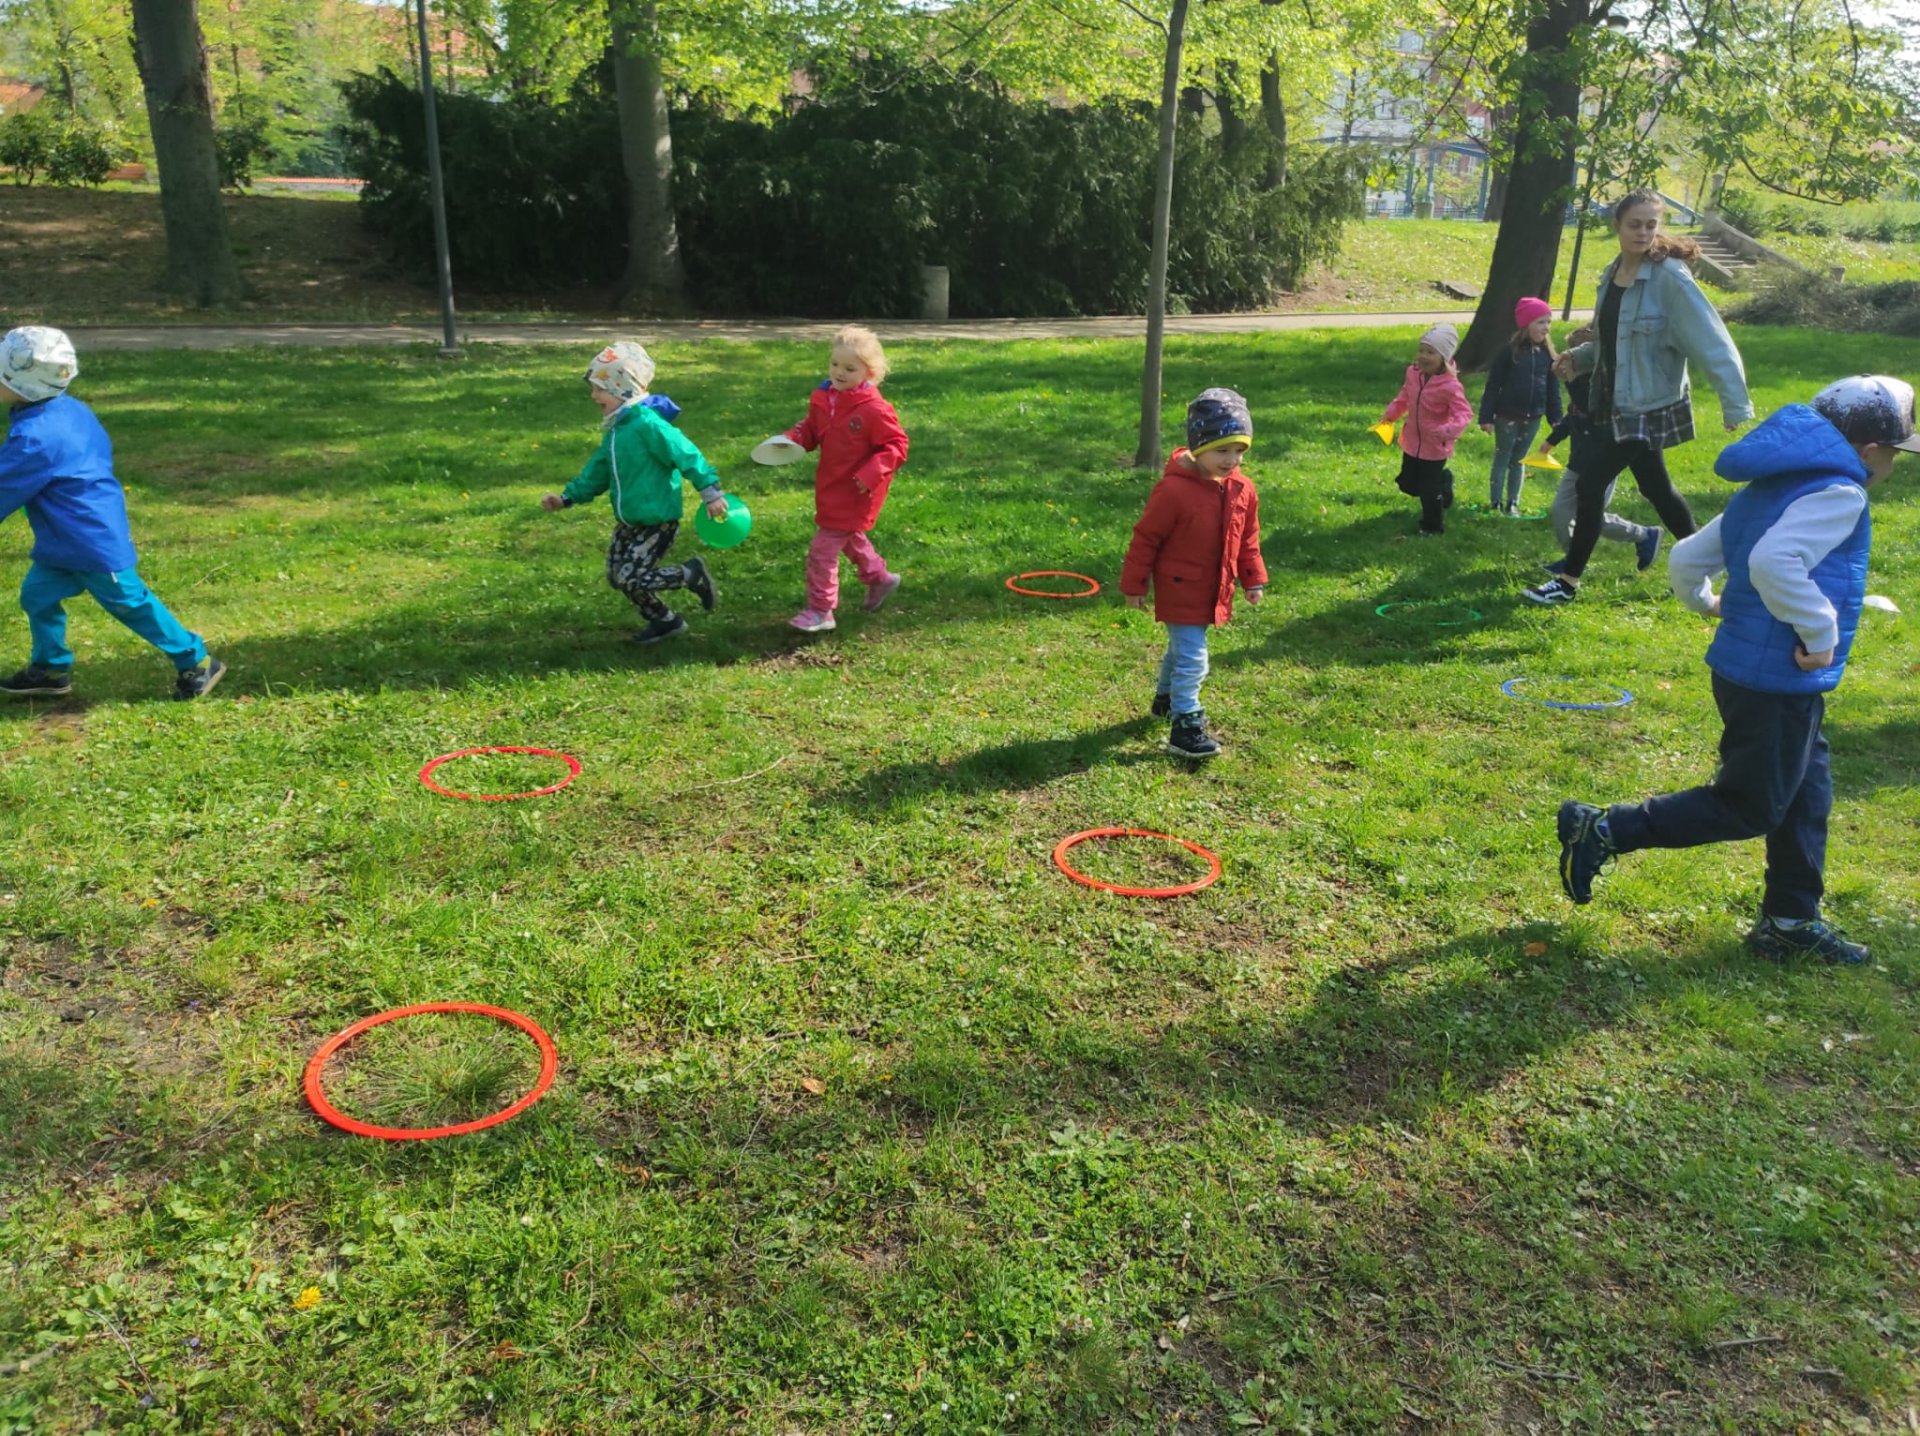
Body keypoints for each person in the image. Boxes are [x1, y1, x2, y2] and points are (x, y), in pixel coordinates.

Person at [1556, 374, 1916, 965]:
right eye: (1895, 454)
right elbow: (1775, 562)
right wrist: (1821, 637)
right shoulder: (1840, 493)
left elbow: (1687, 557)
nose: (1893, 466)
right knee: (1751, 804)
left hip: (1750, 672)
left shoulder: (1771, 485)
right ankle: (1604, 828)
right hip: (1778, 677)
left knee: (1806, 793)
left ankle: (1790, 920)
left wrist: (1706, 602)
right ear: (1870, 450)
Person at [1524, 189, 1752, 605]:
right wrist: (1578, 357)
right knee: (1657, 489)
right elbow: (1611, 341)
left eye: (1651, 224)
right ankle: (1715, 564)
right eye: (1635, 224)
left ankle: (1568, 583)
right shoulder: (1611, 275)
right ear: (1617, 225)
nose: (1643, 232)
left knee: (1590, 484)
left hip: (1650, 404)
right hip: (1614, 399)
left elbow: (1711, 339)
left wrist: (1734, 402)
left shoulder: (1669, 278)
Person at [0, 326, 225, 701]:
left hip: (91, 540)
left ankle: (196, 660)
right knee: (38, 596)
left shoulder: (35, 438)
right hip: (63, 540)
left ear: (23, 385)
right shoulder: (68, 410)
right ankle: (51, 668)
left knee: (131, 603)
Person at [540, 342, 727, 646]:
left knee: (631, 578)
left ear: (622, 389)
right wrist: (566, 498)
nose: (594, 396)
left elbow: (685, 453)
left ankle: (689, 574)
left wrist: (710, 491)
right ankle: (665, 621)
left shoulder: (647, 424)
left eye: (600, 389)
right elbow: (597, 472)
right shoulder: (617, 431)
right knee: (617, 576)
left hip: (657, 520)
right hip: (629, 522)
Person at [1121, 388, 1267, 760]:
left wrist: (1252, 578)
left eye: (1239, 450)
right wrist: (1135, 585)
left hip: (1215, 588)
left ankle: (1165, 700)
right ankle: (1185, 726)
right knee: (1193, 658)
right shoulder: (1173, 491)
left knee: (1180, 651)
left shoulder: (1243, 490)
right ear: (1199, 447)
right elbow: (1146, 538)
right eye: (1222, 450)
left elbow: (1247, 538)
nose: (1231, 459)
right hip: (1180, 588)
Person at [783, 326, 909, 634]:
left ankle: (821, 609)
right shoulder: (825, 398)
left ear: (870, 373)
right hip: (832, 485)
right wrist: (792, 440)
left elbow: (896, 445)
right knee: (850, 539)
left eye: (850, 368)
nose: (839, 372)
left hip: (857, 490)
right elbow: (812, 429)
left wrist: (871, 473)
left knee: (823, 550)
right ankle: (880, 579)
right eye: (835, 364)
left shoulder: (873, 409)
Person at [1537, 325, 1663, 575]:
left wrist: (1572, 380)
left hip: (1603, 465)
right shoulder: (1580, 386)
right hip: (1577, 464)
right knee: (1562, 512)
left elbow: (1589, 409)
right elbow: (1572, 417)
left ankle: (1641, 536)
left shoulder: (1602, 390)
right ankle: (1574, 557)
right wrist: (1552, 440)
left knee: (1589, 516)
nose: (1571, 361)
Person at [1381, 324, 1473, 536]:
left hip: (1435, 445)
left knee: (1428, 491)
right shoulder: (1413, 374)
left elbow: (1464, 413)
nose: (1423, 356)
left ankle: (1432, 527)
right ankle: (1444, 481)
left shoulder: (1450, 386)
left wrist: (1449, 430)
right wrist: (1392, 414)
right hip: (1412, 440)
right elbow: (1405, 396)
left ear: (1444, 358)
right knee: (1408, 484)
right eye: (1421, 350)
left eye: (1430, 352)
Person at [1479, 296, 1564, 515]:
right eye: (1540, 322)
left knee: (1520, 459)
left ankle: (1512, 503)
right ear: (1526, 324)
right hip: (1507, 416)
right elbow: (1493, 386)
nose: (1546, 327)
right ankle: (1496, 503)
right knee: (1503, 456)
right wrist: (1486, 417)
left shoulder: (1548, 355)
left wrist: (1556, 419)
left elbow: (1552, 390)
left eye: (1549, 322)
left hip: (1533, 417)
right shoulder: (1509, 352)